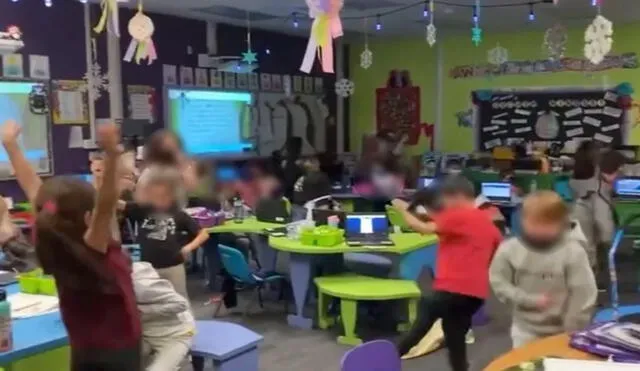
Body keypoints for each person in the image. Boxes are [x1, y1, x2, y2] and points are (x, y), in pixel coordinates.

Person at [2, 120, 142, 370]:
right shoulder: (93, 248)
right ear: (89, 217)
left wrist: (11, 146)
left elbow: (34, 189)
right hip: (119, 353)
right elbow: (107, 203)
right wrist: (111, 154)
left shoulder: (53, 238)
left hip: (83, 349)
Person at [392, 176, 502, 371]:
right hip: (475, 296)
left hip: (451, 290)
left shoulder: (459, 215)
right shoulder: (489, 225)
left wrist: (401, 208)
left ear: (456, 197)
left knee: (422, 320)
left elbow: (424, 228)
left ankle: (386, 359)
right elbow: (490, 256)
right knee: (454, 335)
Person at [490, 191, 597, 348]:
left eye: (546, 224)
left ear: (560, 222)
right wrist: (527, 299)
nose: (539, 229)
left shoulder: (573, 252)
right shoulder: (509, 250)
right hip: (525, 331)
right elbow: (499, 282)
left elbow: (583, 294)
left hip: (563, 332)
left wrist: (571, 331)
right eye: (534, 223)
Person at [122, 167, 209, 300]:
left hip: (172, 265)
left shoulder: (178, 214)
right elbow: (115, 204)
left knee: (179, 300)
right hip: (146, 268)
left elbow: (204, 233)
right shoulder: (142, 209)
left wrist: (188, 248)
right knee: (147, 303)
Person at [133, 262, 195, 371]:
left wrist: (144, 311)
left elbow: (181, 303)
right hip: (146, 333)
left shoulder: (141, 285)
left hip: (176, 334)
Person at [572, 150, 625, 278]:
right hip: (584, 223)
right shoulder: (600, 190)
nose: (622, 175)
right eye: (620, 171)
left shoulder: (595, 180)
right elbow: (606, 229)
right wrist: (615, 243)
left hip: (580, 221)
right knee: (588, 254)